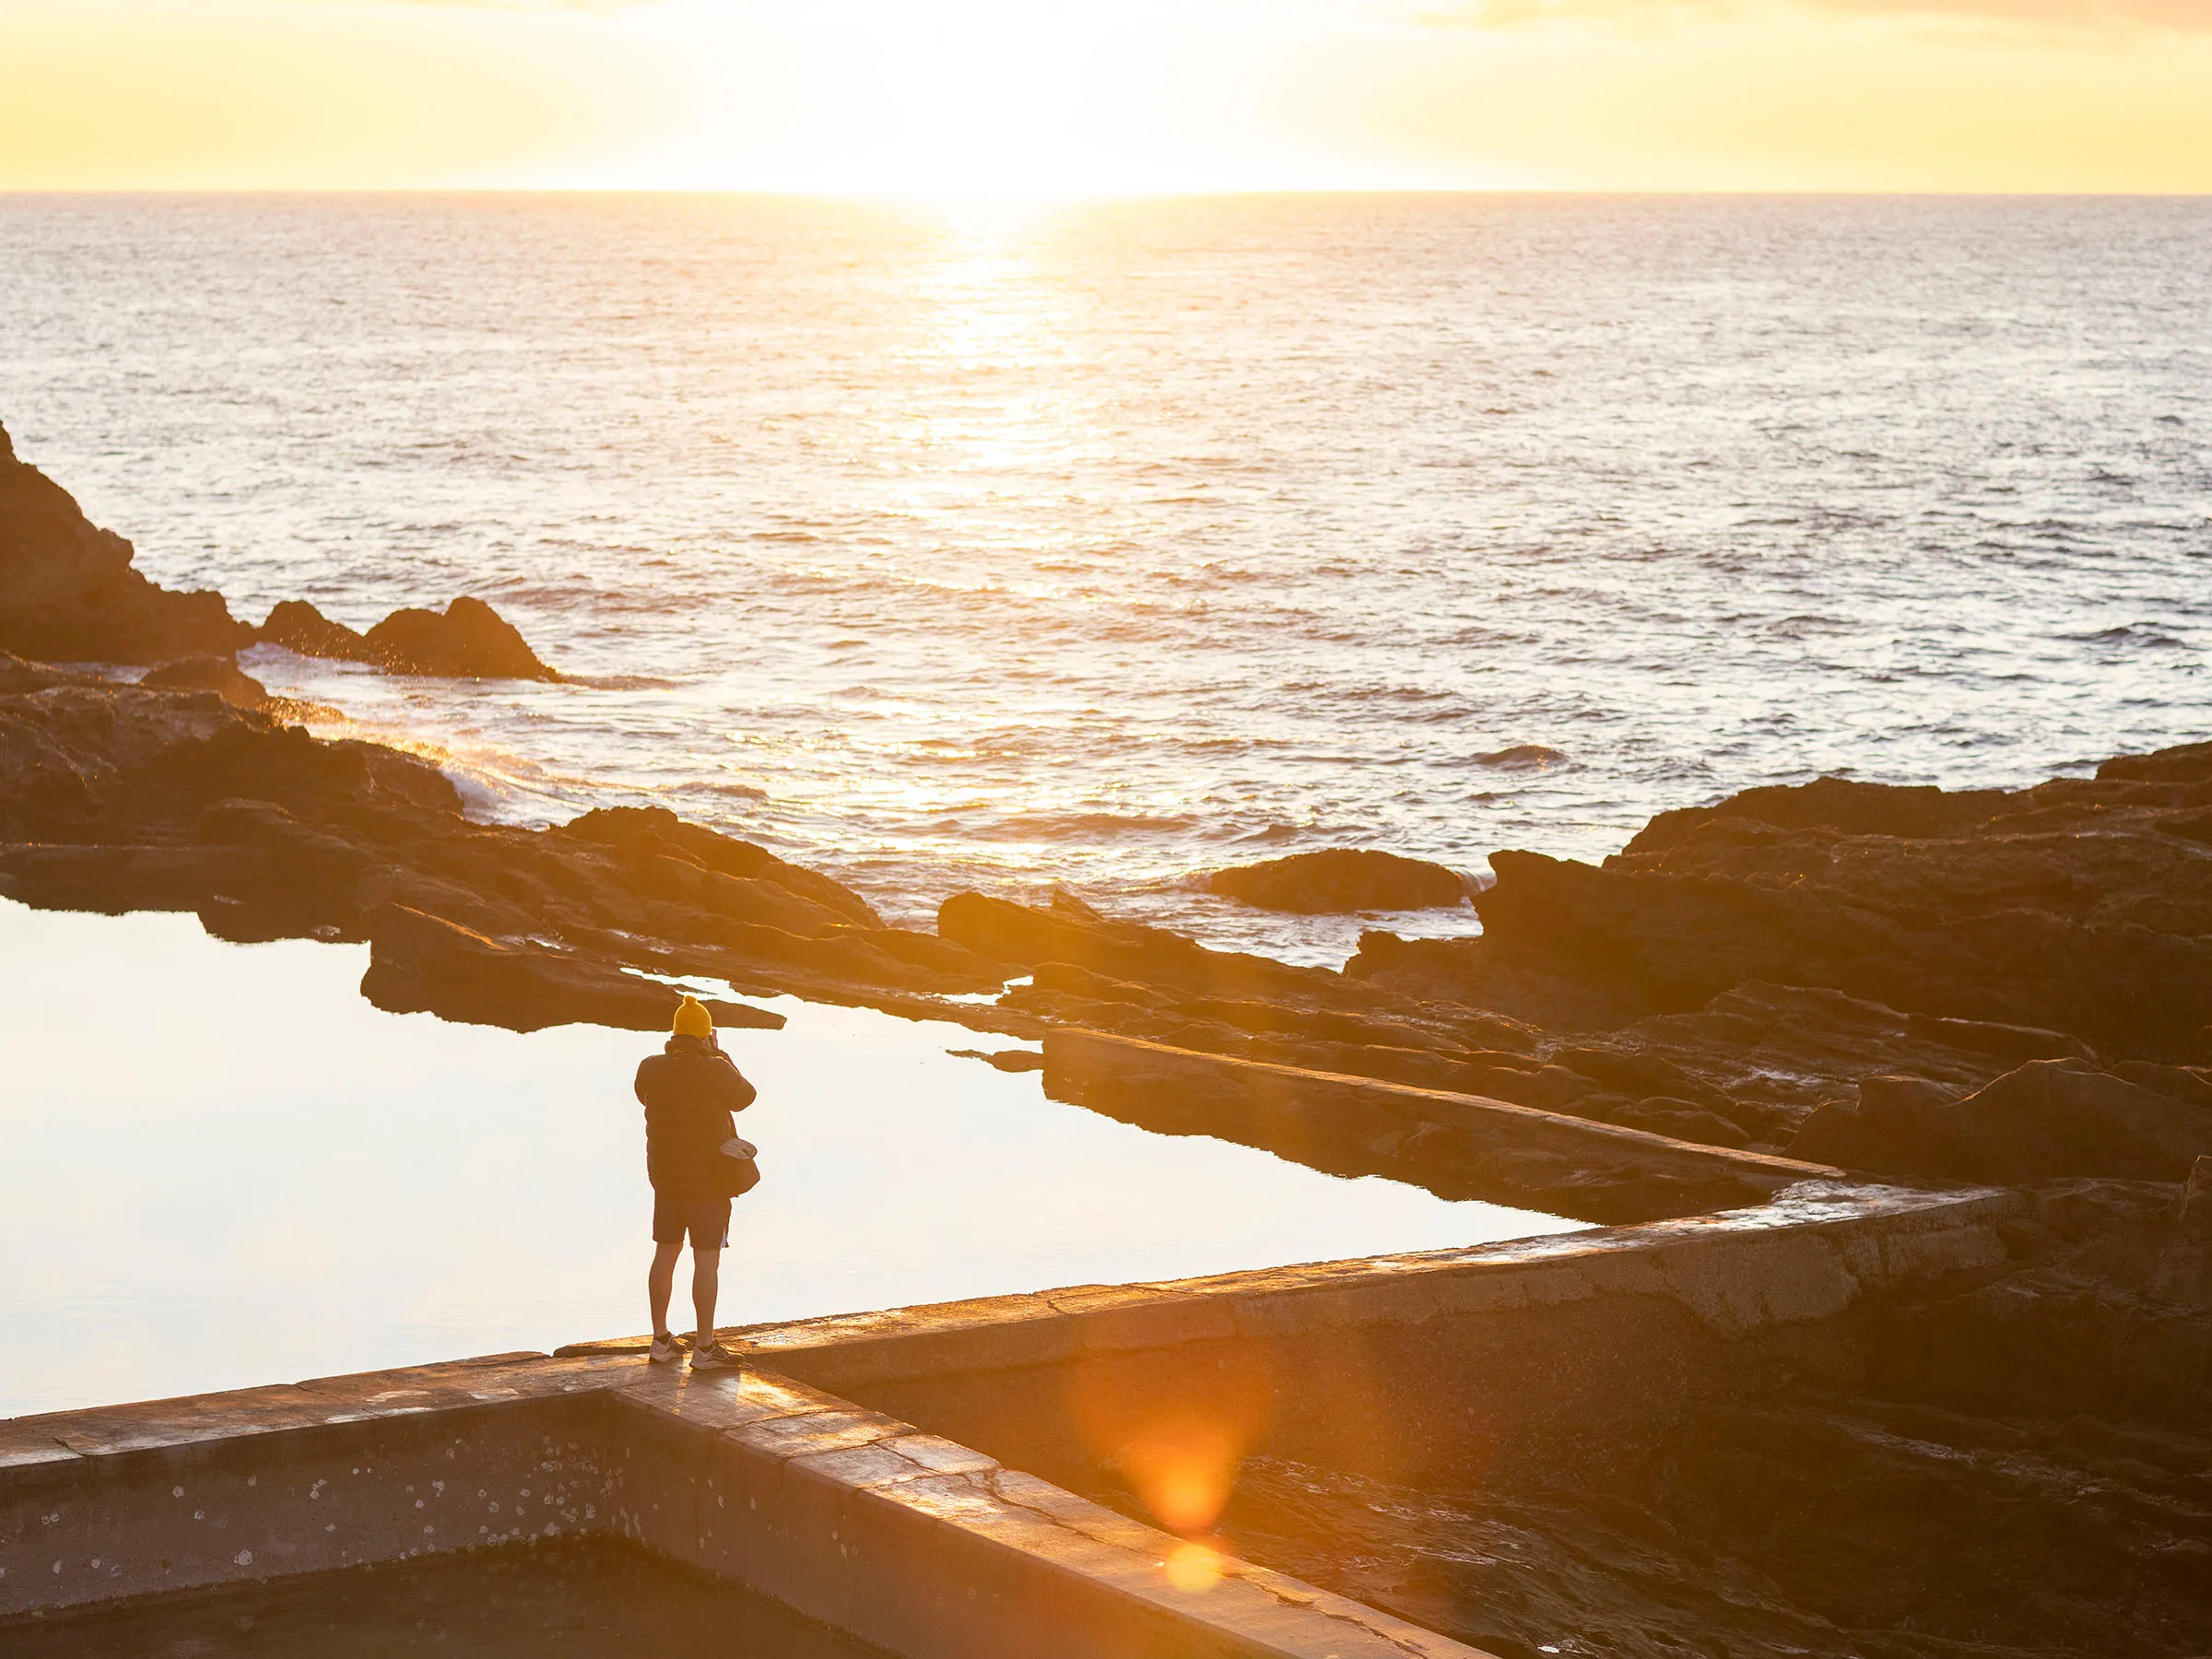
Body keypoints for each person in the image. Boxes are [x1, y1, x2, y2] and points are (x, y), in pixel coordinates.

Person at [636, 994, 756, 1369]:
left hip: (666, 1181)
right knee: (706, 1263)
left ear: (674, 1033)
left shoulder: (649, 1068)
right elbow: (745, 1097)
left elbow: (645, 1098)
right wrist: (721, 1056)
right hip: (709, 1184)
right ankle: (704, 1348)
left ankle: (660, 1341)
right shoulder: (715, 1069)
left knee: (665, 1254)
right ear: (706, 1035)